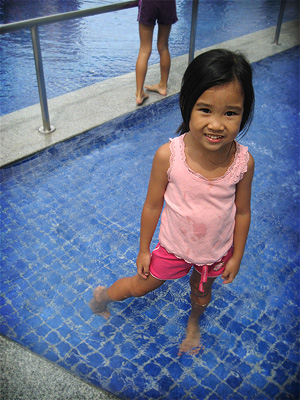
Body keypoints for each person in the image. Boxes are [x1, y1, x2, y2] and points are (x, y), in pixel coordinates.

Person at [90, 49, 255, 356]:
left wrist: (237, 256)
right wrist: (143, 249)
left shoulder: (243, 162)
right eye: (205, 110)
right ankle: (103, 296)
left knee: (202, 295)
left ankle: (194, 324)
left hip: (215, 252)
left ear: (244, 113)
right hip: (173, 247)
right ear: (187, 105)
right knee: (140, 287)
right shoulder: (169, 156)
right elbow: (152, 206)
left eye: (230, 113)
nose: (217, 124)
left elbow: (243, 212)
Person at [135, 0, 178, 105]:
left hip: (149, 3)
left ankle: (139, 93)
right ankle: (163, 86)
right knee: (163, 47)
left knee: (144, 50)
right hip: (167, 3)